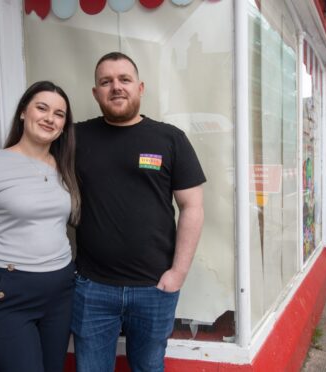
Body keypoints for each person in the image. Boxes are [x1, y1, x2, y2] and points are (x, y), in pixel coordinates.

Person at [72, 52, 205, 372]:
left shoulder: (170, 139)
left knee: (148, 367)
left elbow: (193, 207)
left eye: (124, 79)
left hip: (154, 287)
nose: (116, 87)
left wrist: (178, 274)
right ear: (95, 92)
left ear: (140, 87)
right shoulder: (75, 138)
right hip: (92, 287)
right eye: (106, 81)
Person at [0, 81, 80, 372]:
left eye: (59, 114)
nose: (50, 118)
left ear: (64, 126)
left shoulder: (64, 167)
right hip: (11, 294)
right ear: (23, 112)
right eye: (42, 108)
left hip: (61, 291)